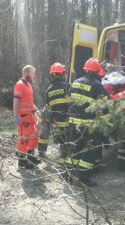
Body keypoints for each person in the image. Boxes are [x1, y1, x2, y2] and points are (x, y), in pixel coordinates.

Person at [66, 58, 110, 187]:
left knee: (74, 150)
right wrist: (107, 122)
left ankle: (69, 176)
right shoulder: (97, 86)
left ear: (85, 69)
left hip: (73, 124)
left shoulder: (75, 82)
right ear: (97, 72)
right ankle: (83, 179)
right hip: (88, 126)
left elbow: (69, 100)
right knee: (89, 152)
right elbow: (103, 107)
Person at [38, 62, 71, 164]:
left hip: (55, 119)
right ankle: (63, 161)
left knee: (44, 128)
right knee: (65, 139)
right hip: (66, 119)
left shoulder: (48, 90)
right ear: (62, 74)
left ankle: (41, 151)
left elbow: (49, 105)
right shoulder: (68, 86)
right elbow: (71, 104)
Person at [13, 65, 41, 169]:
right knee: (23, 138)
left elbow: (30, 102)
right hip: (23, 117)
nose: (34, 76)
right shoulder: (19, 85)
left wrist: (36, 110)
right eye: (33, 73)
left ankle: (30, 156)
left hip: (30, 116)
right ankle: (21, 161)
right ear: (26, 73)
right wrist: (16, 116)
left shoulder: (28, 85)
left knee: (35, 134)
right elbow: (16, 101)